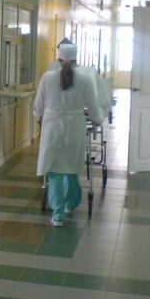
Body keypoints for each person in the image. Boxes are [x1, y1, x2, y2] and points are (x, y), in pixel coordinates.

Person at [34, 43, 101, 226]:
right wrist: (97, 120)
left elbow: (38, 106)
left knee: (54, 168)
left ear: (58, 59)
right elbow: (93, 107)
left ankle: (57, 215)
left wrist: (39, 114)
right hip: (74, 126)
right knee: (72, 166)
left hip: (52, 127)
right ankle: (70, 204)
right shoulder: (85, 79)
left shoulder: (47, 78)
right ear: (76, 61)